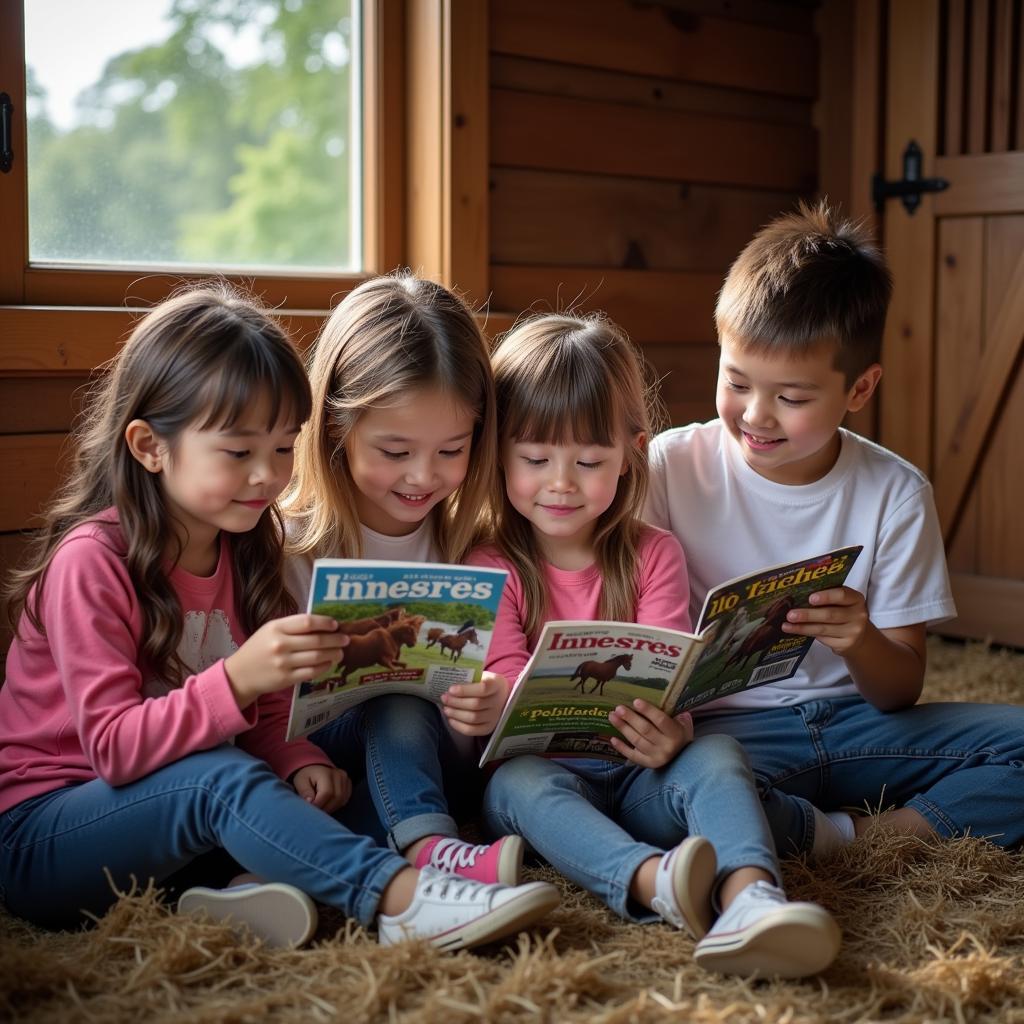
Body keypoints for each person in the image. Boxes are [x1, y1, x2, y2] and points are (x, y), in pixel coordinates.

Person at [0, 284, 559, 950]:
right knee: (222, 782)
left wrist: (294, 760)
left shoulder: (245, 546)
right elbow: (115, 751)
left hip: (170, 817)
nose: (266, 476)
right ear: (150, 446)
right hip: (44, 835)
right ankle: (401, 898)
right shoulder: (92, 561)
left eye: (282, 448)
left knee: (337, 795)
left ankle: (233, 894)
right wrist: (236, 679)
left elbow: (263, 714)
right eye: (239, 453)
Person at [645, 200, 1024, 857]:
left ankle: (860, 836)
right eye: (735, 382)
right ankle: (782, 821)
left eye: (792, 398)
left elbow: (901, 687)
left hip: (858, 724)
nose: (756, 416)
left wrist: (859, 638)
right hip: (726, 737)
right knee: (653, 797)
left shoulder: (895, 493)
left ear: (860, 390)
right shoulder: (670, 465)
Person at [467, 313, 841, 978]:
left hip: (641, 772)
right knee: (517, 787)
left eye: (588, 462)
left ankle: (750, 898)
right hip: (545, 779)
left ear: (632, 454)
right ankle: (653, 883)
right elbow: (501, 672)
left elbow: (671, 667)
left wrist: (676, 731)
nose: (561, 483)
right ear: (498, 454)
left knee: (718, 753)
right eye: (533, 460)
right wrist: (493, 702)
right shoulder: (492, 563)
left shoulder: (653, 552)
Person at [282, 272, 524, 887]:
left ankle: (428, 849)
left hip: (445, 765)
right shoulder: (285, 543)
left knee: (399, 696)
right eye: (395, 451)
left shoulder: (473, 543)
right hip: (322, 768)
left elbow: (496, 671)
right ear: (336, 427)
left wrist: (493, 701)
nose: (423, 475)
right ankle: (415, 851)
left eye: (451, 450)